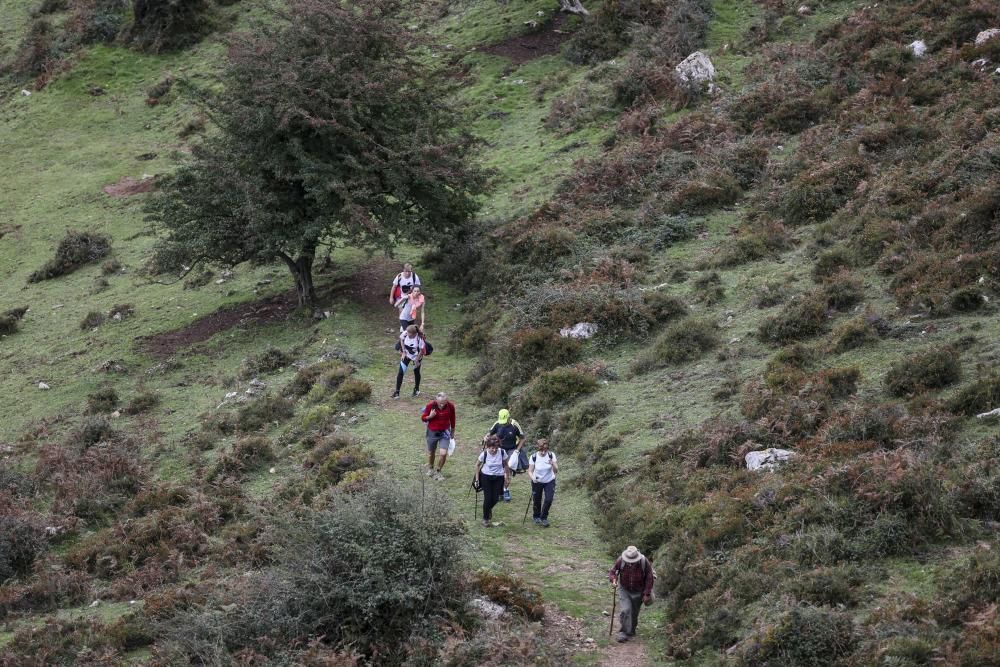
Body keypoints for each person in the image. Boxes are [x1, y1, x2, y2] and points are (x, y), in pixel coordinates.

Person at [608, 546, 655, 643]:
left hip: (639, 591)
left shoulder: (644, 562)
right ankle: (624, 632)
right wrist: (613, 580)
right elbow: (613, 572)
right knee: (625, 610)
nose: (630, 562)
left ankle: (631, 630)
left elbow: (649, 578)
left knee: (634, 613)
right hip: (625, 589)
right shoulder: (621, 560)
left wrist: (646, 594)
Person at [487, 408, 524, 502]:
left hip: (512, 450)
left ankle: (505, 490)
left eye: (504, 421)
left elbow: (522, 438)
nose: (503, 424)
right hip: (499, 449)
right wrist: (487, 439)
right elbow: (489, 434)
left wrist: (517, 451)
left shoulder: (514, 424)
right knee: (498, 471)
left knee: (508, 471)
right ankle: (498, 491)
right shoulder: (497, 423)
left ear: (509, 418)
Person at [475, 435, 510, 527]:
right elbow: (477, 465)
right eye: (491, 448)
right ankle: (485, 519)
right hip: (486, 476)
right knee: (488, 498)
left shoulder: (502, 452)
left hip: (499, 477)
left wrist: (507, 477)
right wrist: (477, 479)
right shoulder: (484, 454)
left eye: (495, 448)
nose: (494, 450)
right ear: (487, 447)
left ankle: (487, 509)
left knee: (496, 498)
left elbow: (506, 465)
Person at [421, 391, 455, 480]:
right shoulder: (430, 405)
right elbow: (423, 418)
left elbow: (453, 418)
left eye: (444, 403)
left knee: (443, 454)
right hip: (432, 432)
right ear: (436, 400)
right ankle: (430, 468)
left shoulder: (450, 406)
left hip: (445, 432)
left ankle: (438, 471)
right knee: (431, 452)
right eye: (440, 403)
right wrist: (430, 416)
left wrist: (453, 431)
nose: (442, 405)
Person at [527, 439, 558, 527]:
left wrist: (553, 464)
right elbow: (530, 471)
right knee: (537, 499)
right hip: (537, 481)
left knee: (549, 499)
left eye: (546, 450)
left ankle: (544, 517)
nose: (544, 452)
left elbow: (556, 470)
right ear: (538, 448)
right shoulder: (534, 457)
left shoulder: (551, 455)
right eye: (542, 450)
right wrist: (533, 478)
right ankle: (536, 516)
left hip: (549, 480)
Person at [393, 325, 425, 399]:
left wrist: (417, 361)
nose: (406, 333)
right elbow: (401, 339)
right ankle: (397, 392)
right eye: (406, 332)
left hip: (417, 356)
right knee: (401, 372)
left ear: (414, 334)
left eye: (409, 333)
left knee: (416, 372)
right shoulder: (405, 333)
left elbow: (422, 351)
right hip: (407, 355)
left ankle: (416, 389)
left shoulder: (419, 338)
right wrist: (403, 351)